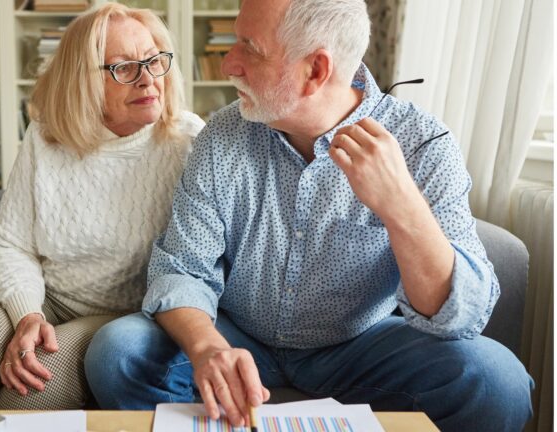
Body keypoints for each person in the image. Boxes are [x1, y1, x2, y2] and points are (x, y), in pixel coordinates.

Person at [83, 0, 533, 430]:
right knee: (117, 353)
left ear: (315, 70)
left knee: (498, 383)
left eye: (250, 49)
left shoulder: (422, 144)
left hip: (362, 346)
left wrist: (402, 207)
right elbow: (181, 269)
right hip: (240, 336)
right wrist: (206, 347)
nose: (228, 64)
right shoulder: (223, 136)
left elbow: (463, 315)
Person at [0, 3, 204, 410]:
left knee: (26, 392)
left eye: (154, 60)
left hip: (124, 316)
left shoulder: (189, 141)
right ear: (83, 80)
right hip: (46, 296)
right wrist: (27, 315)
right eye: (123, 67)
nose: (147, 79)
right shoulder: (46, 136)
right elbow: (10, 244)